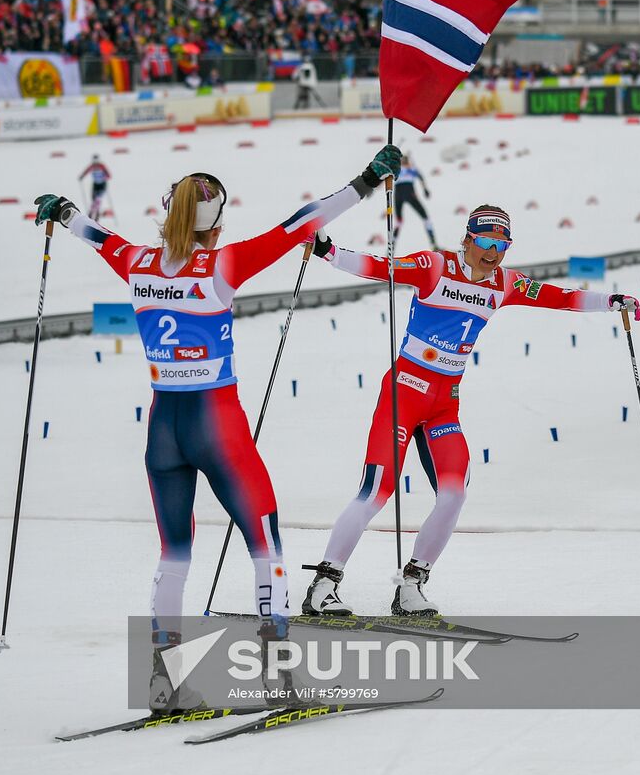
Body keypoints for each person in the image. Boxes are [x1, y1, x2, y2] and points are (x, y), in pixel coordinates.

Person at [34, 144, 401, 710]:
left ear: (168, 213)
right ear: (217, 224)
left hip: (164, 429)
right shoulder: (223, 264)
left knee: (174, 552)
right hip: (217, 424)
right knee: (265, 539)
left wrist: (61, 210)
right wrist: (368, 180)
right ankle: (280, 676)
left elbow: (95, 234)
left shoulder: (136, 261)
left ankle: (163, 682)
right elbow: (301, 223)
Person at [303, 205, 640, 617]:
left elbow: (561, 297)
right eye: (484, 242)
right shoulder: (434, 266)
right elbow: (381, 266)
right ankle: (324, 584)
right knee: (377, 491)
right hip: (404, 394)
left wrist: (612, 301)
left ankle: (411, 585)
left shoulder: (506, 284)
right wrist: (327, 250)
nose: (493, 252)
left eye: (502, 245)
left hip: (444, 404)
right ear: (467, 239)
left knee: (453, 493)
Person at [394, 153, 436, 250]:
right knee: (425, 217)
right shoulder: (411, 169)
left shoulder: (396, 170)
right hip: (409, 194)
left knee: (399, 221)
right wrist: (425, 190)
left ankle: (391, 248)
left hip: (398, 195)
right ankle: (433, 243)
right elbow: (421, 178)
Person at [78, 155, 111, 221]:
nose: (95, 163)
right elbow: (86, 171)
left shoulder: (102, 166)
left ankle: (95, 216)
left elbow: (109, 175)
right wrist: (81, 177)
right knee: (94, 200)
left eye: (96, 161)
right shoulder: (92, 166)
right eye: (94, 161)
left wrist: (104, 177)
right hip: (95, 186)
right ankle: (91, 214)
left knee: (97, 200)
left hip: (102, 185)